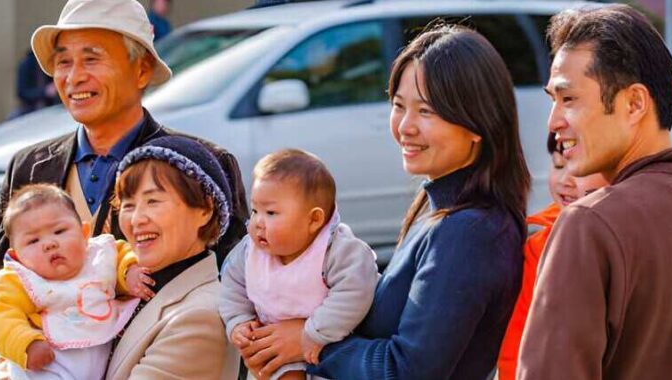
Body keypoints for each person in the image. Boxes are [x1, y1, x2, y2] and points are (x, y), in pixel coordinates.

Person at [0, 0, 249, 373]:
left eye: (92, 59)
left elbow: (239, 284)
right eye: (63, 62)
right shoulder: (29, 166)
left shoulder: (200, 166)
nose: (74, 77)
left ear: (141, 69)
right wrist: (9, 367)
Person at [241, 25, 530, 379]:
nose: (405, 126)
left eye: (426, 111)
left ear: (477, 123)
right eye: (399, 106)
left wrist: (310, 344)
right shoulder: (441, 206)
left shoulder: (471, 232)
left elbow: (406, 371)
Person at [518, 5, 672, 379]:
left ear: (634, 103)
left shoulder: (588, 224)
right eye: (552, 100)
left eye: (568, 99)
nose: (553, 121)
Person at [219, 149, 379, 380]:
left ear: (313, 220)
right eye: (255, 210)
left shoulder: (336, 251)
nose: (258, 222)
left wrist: (313, 333)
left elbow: (355, 291)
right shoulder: (248, 252)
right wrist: (238, 321)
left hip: (332, 343)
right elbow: (232, 285)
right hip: (277, 349)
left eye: (271, 212)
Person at [0, 184, 153, 379]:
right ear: (17, 255)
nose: (49, 244)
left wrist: (129, 272)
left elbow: (123, 256)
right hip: (46, 367)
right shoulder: (19, 279)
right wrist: (26, 344)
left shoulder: (100, 255)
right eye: (33, 241)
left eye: (59, 231)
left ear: (84, 233)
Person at [108, 135, 239, 379]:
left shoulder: (200, 316)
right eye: (128, 205)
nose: (136, 219)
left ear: (205, 210)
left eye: (153, 201)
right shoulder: (121, 283)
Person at [495, 132, 607, 380]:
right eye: (558, 166)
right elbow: (518, 340)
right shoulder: (538, 248)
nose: (565, 180)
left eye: (579, 170)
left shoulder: (625, 241)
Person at [12, 51, 60, 118]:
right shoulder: (26, 64)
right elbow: (22, 92)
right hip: (31, 110)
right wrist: (45, 92)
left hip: (53, 108)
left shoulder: (52, 62)